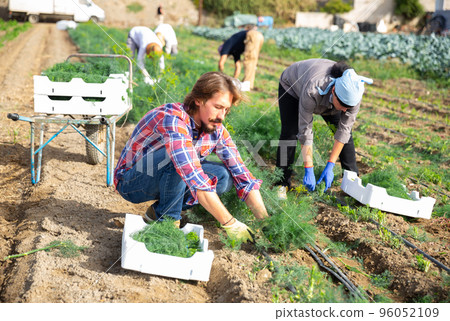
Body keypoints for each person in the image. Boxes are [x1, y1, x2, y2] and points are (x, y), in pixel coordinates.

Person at [114, 72, 269, 243]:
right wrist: (230, 223)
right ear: (199, 100)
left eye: (226, 109)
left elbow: (243, 175)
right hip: (132, 182)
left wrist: (267, 224)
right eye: (218, 107)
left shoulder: (216, 129)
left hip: (168, 177)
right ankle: (168, 222)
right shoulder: (173, 119)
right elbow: (191, 172)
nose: (222, 116)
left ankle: (159, 212)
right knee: (177, 159)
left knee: (224, 176)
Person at [275, 59, 373, 199]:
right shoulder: (313, 89)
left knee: (345, 134)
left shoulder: (353, 94)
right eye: (343, 105)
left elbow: (344, 131)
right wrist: (309, 169)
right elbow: (305, 130)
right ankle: (282, 183)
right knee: (290, 133)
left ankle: (352, 180)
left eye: (349, 107)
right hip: (293, 86)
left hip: (329, 99)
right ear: (334, 90)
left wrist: (330, 165)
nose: (345, 110)